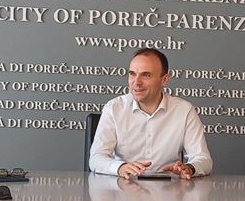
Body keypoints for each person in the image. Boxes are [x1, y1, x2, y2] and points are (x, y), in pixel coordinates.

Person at [88, 48, 213, 180]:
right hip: (124, 185)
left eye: (146, 75)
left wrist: (190, 168)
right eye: (132, 74)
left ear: (164, 79)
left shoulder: (184, 110)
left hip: (169, 189)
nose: (136, 82)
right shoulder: (114, 108)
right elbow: (96, 158)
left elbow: (203, 159)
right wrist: (120, 167)